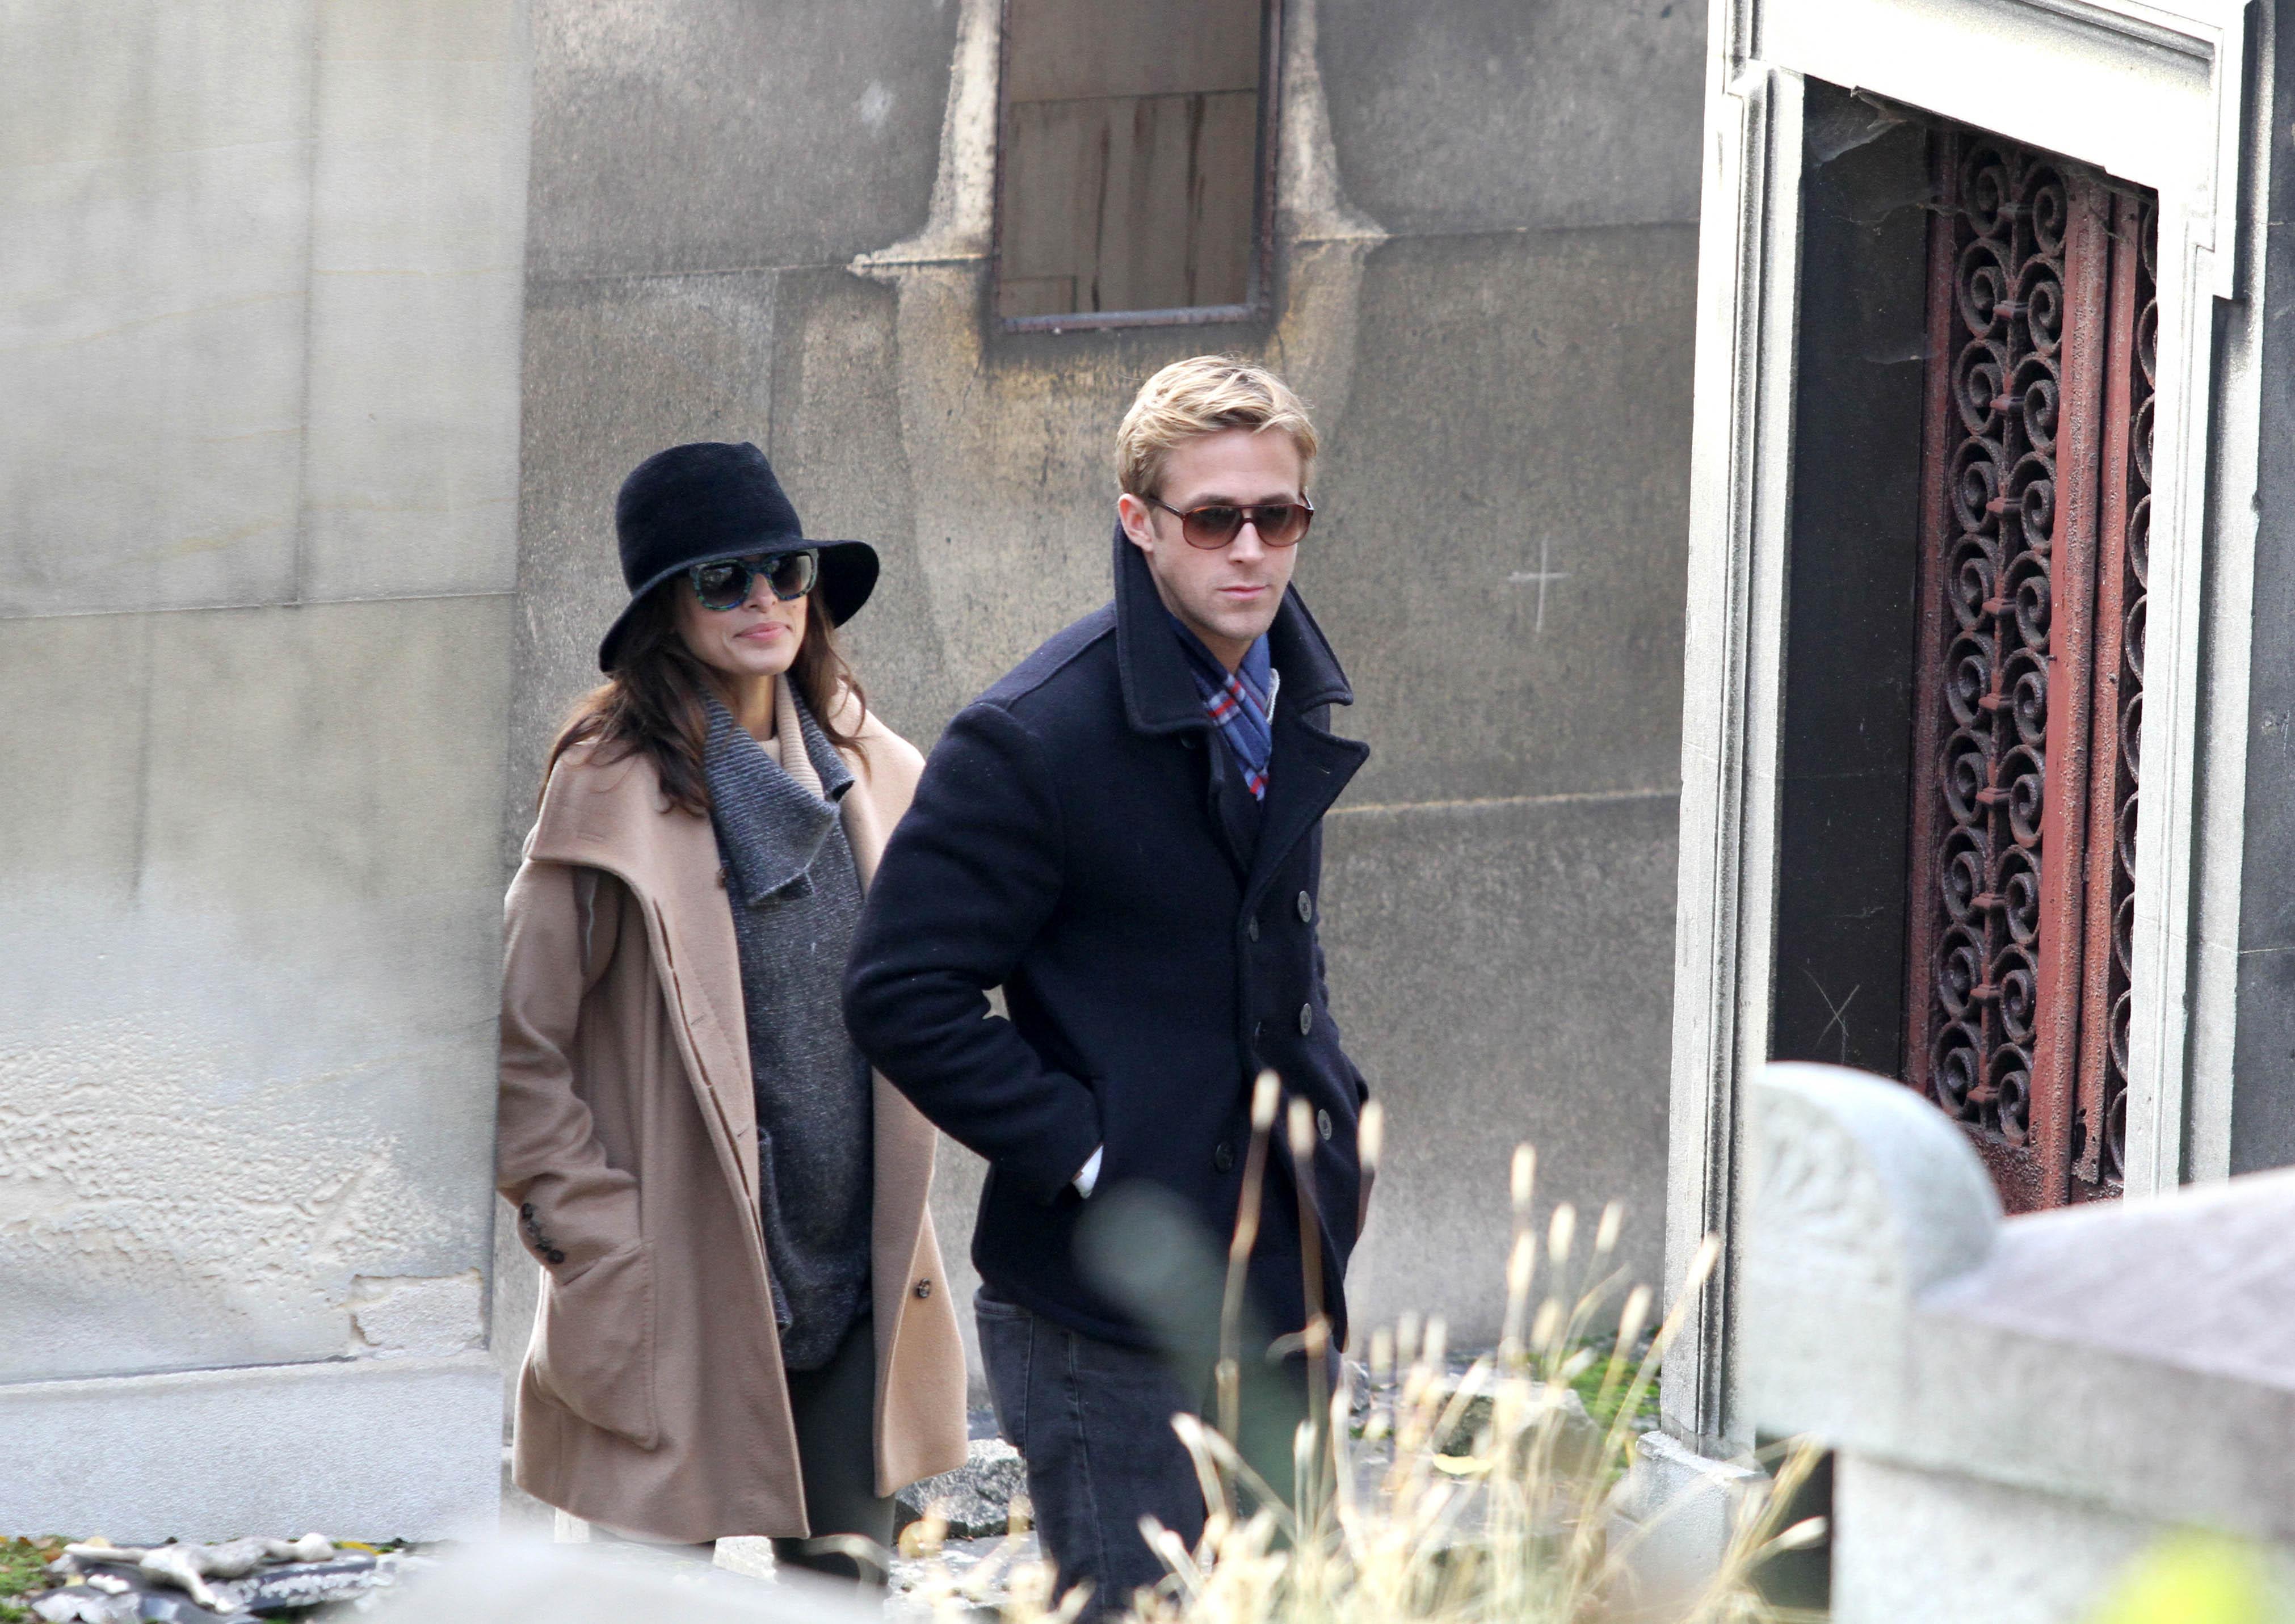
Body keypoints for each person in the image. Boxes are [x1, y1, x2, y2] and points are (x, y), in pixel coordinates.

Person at [844, 358, 1373, 1615]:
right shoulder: (1033, 735)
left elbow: (1265, 967)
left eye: (1278, 517)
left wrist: (1335, 1128)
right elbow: (899, 988)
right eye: (1212, 519)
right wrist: (1098, 1159)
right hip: (1103, 1314)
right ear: (1139, 524)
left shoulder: (1286, 690)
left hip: (1278, 1279)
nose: (1249, 550)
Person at [496, 441, 966, 1576]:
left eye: (785, 570)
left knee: (849, 1586)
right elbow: (517, 1058)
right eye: (724, 579)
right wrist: (602, 1246)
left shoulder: (874, 767)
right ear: (668, 607)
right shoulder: (605, 787)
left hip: (852, 1273)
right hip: (679, 1288)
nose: (764, 600)